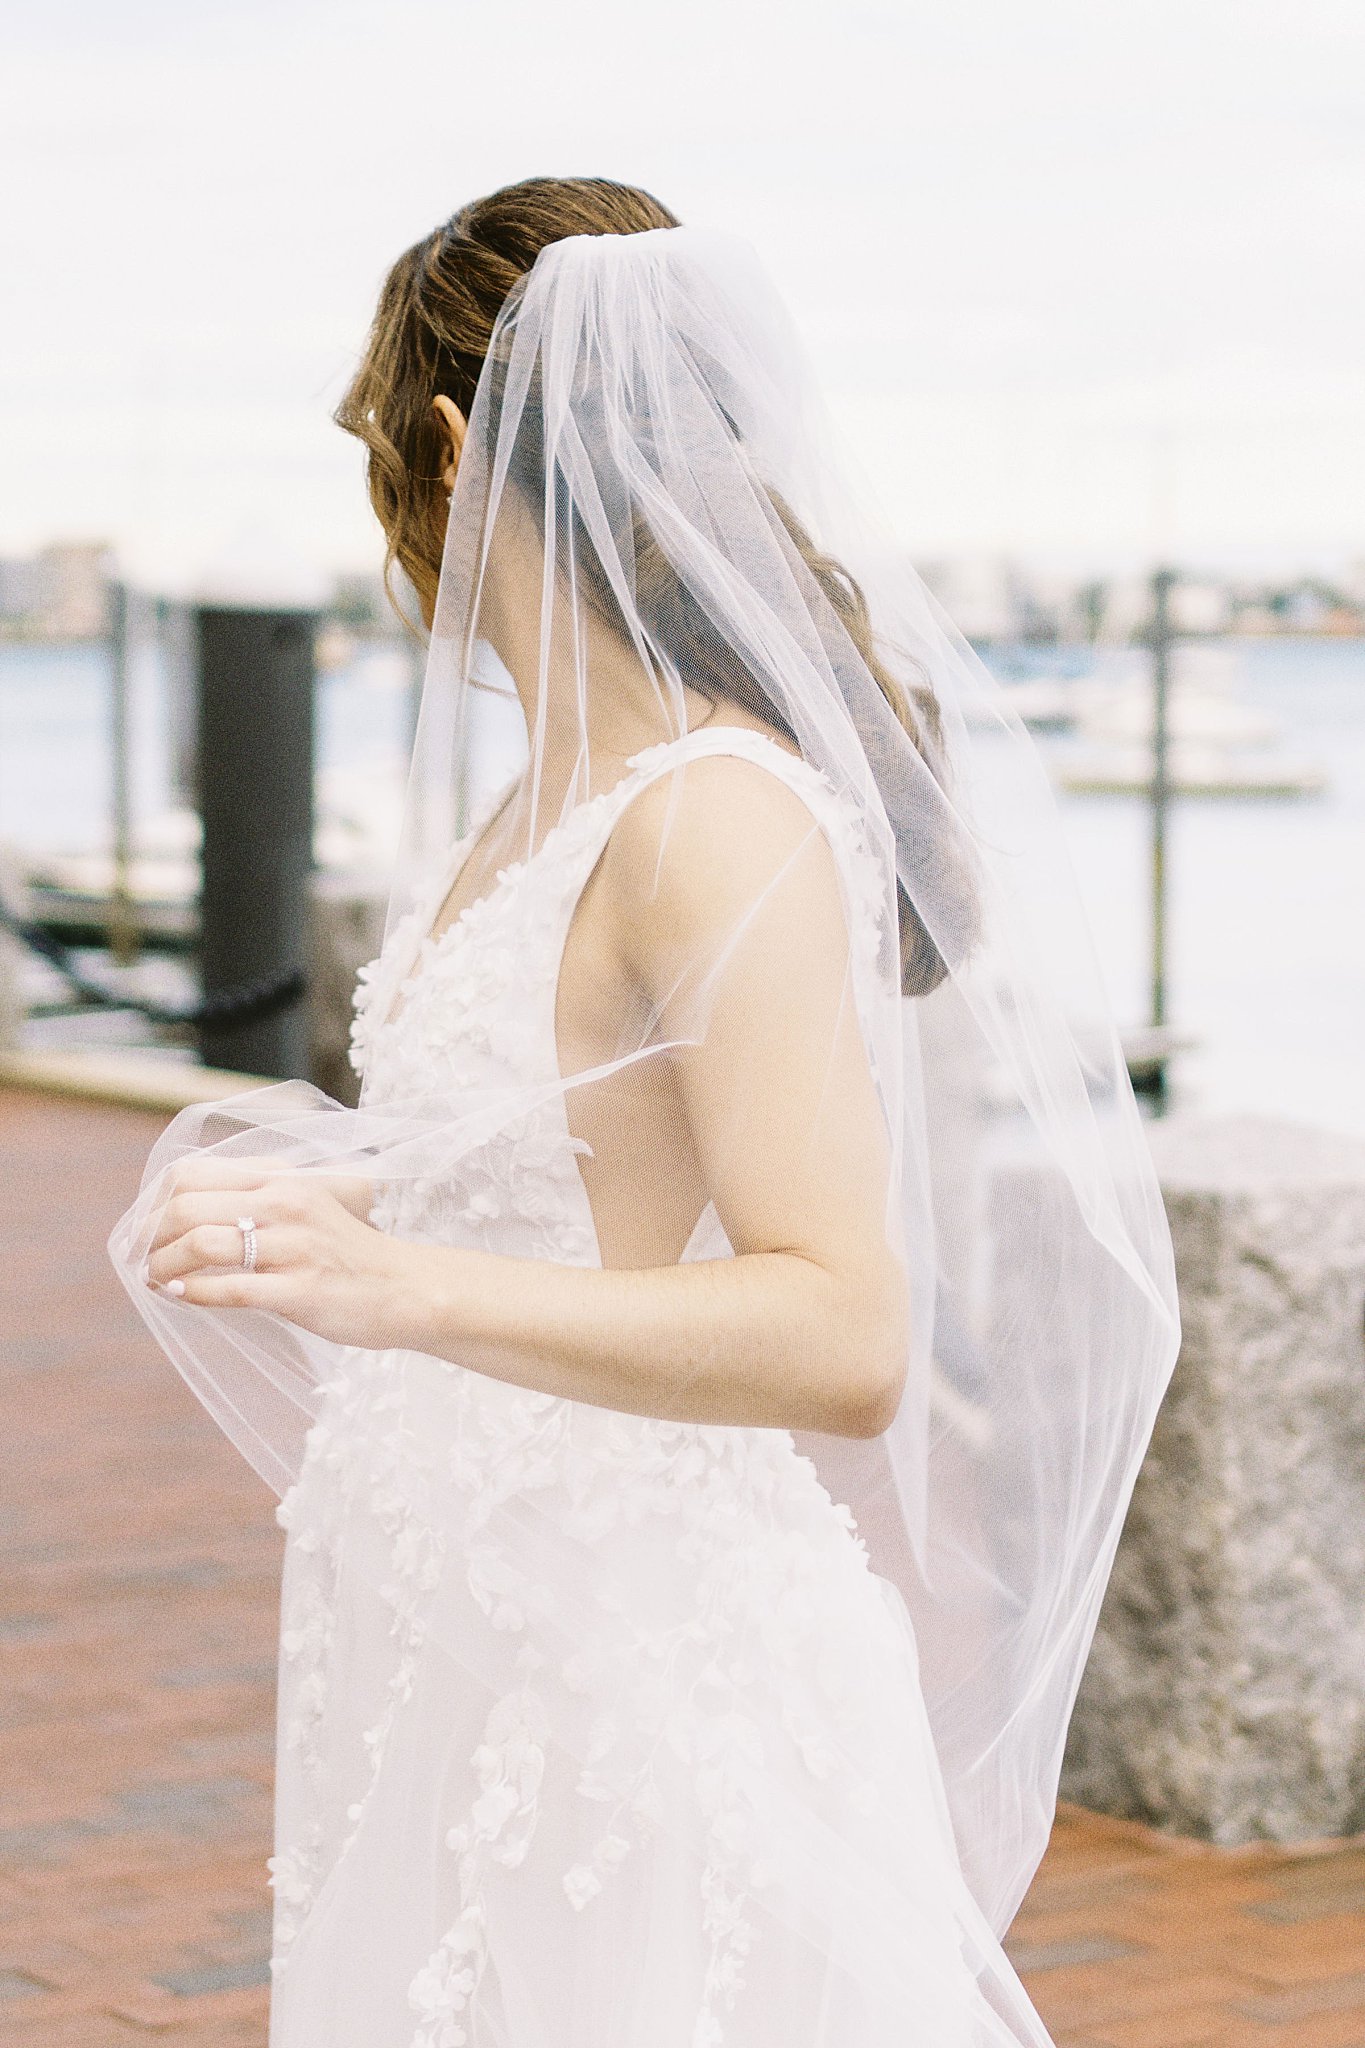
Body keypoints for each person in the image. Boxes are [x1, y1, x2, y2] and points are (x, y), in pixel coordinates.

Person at [111, 176, 1180, 2046]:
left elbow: (841, 1327)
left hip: (636, 1670)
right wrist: (347, 1217)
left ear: (451, 451)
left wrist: (406, 1292)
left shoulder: (717, 816)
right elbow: (583, 1190)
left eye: (382, 470)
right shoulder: (540, 806)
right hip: (458, 1618)